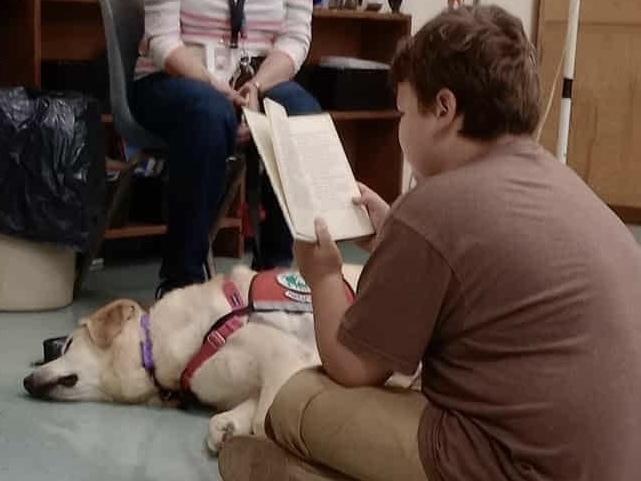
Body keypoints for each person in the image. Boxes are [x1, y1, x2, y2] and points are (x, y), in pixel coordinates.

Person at [217, 4, 641, 481]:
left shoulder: (437, 207)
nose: (400, 128)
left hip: (510, 463)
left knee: (296, 400)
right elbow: (478, 282)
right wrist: (394, 238)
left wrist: (324, 275)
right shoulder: (567, 187)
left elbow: (352, 366)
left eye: (402, 112)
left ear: (443, 109)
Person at [129, 0, 321, 298]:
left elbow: (295, 38)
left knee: (300, 113)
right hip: (175, 77)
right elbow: (161, 39)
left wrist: (255, 87)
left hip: (259, 78)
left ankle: (275, 273)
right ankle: (182, 280)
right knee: (209, 114)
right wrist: (215, 86)